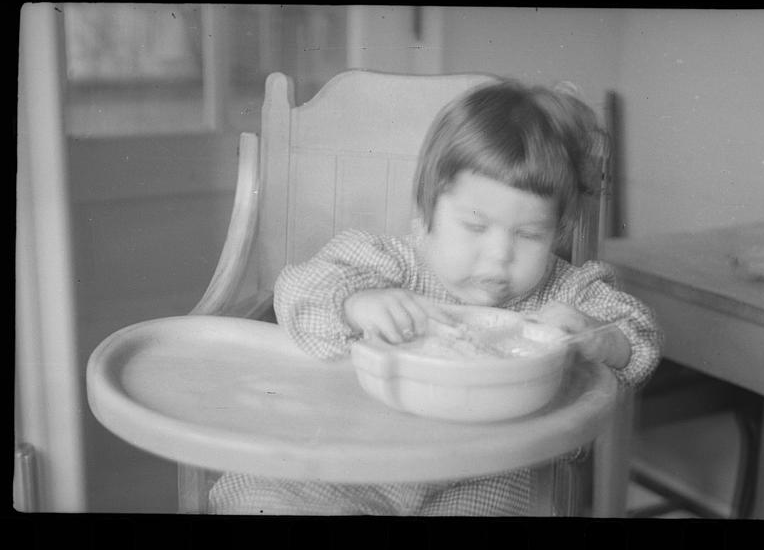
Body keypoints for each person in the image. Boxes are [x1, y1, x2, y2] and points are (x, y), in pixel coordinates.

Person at [209, 79, 662, 516]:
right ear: (428, 209)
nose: (498, 255)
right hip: (357, 458)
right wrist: (357, 302)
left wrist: (597, 336)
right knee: (251, 492)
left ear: (557, 230)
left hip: (485, 474)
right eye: (475, 226)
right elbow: (298, 288)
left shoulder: (563, 290)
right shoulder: (393, 263)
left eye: (528, 234)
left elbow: (637, 334)